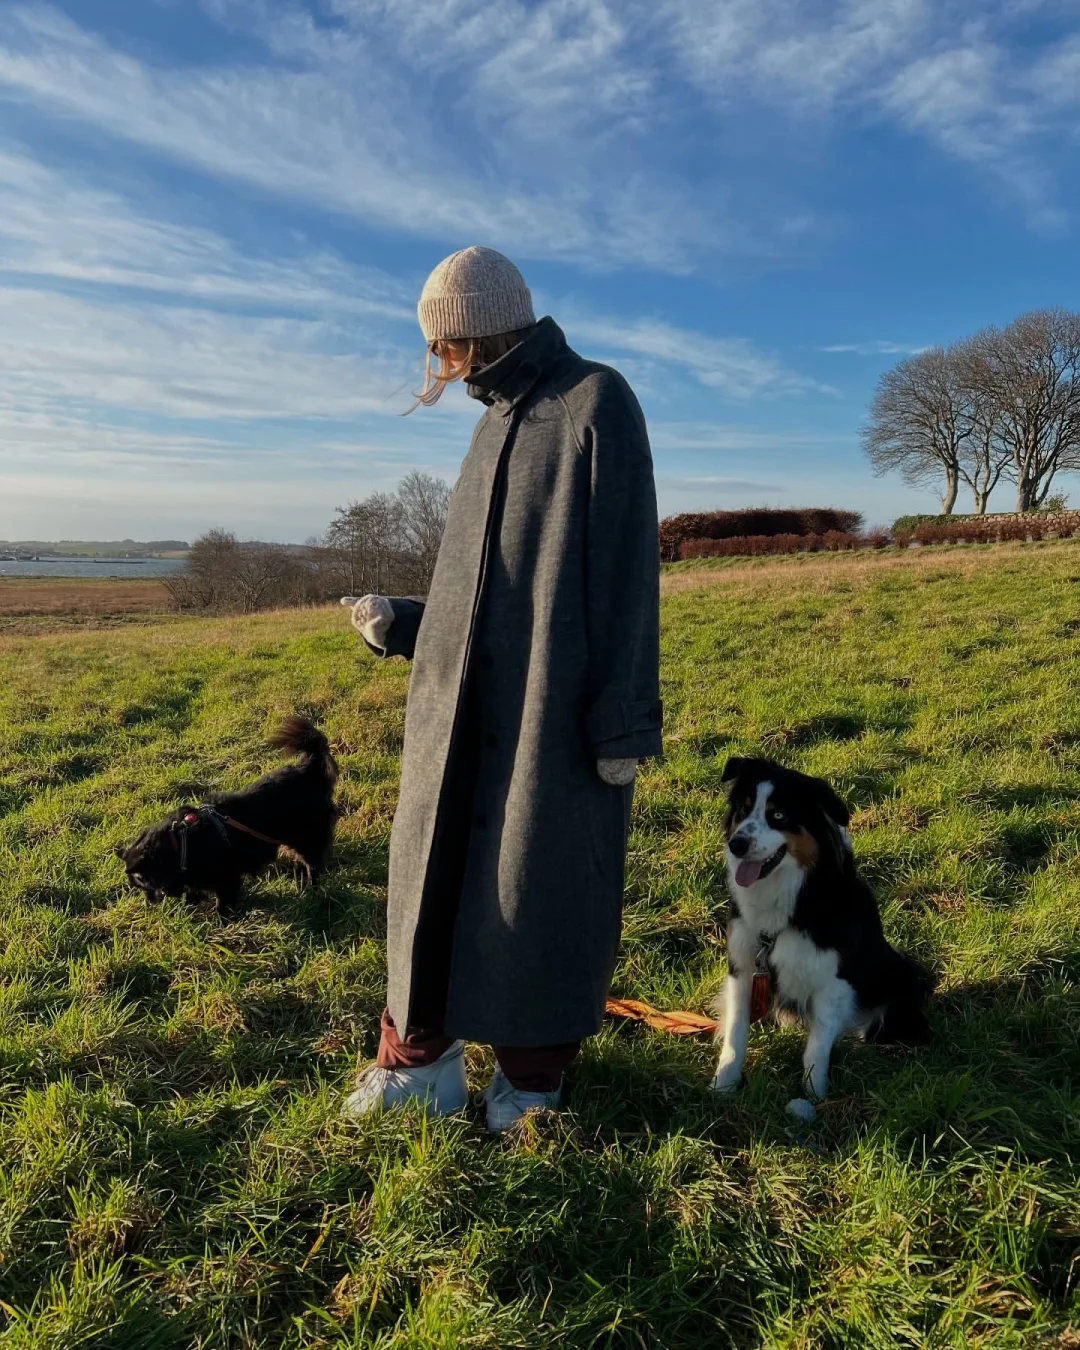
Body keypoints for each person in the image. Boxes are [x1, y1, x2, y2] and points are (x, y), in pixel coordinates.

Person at [342, 246, 662, 1133]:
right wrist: (404, 623)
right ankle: (420, 1065)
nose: (437, 366)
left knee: (537, 885)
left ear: (467, 332)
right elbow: (478, 584)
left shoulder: (596, 400)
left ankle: (530, 1084)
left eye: (440, 345)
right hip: (456, 709)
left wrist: (623, 723)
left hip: (551, 709)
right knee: (430, 879)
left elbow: (628, 571)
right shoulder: (493, 422)